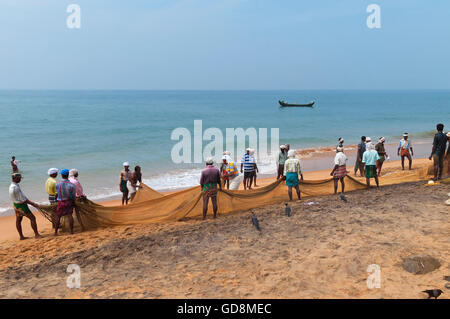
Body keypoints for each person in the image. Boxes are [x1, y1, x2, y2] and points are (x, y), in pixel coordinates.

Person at [9, 173, 41, 240]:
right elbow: (23, 199)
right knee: (32, 218)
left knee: (18, 220)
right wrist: (33, 204)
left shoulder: (11, 186)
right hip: (22, 206)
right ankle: (37, 234)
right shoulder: (16, 188)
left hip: (16, 205)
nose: (20, 179)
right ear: (15, 179)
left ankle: (21, 236)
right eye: (19, 178)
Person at [54, 169, 76, 235]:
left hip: (60, 202)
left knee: (58, 217)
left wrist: (56, 200)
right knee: (70, 215)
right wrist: (74, 202)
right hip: (69, 202)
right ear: (68, 175)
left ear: (61, 175)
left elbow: (57, 193)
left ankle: (55, 232)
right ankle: (71, 231)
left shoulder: (57, 184)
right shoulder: (72, 185)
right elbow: (73, 196)